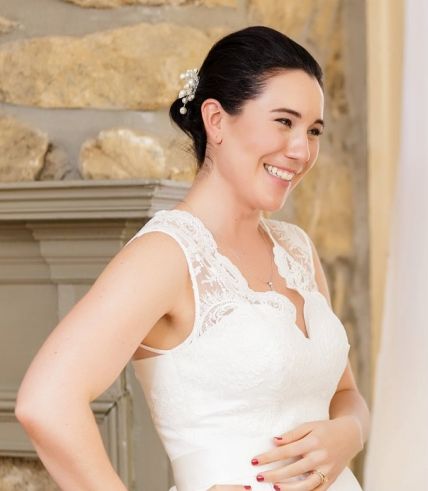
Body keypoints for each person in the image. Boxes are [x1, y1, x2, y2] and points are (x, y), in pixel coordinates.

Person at [16, 26, 368, 491]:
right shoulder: (167, 253)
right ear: (216, 120)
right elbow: (44, 401)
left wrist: (349, 433)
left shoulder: (296, 249)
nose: (302, 151)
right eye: (284, 122)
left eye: (314, 130)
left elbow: (345, 394)